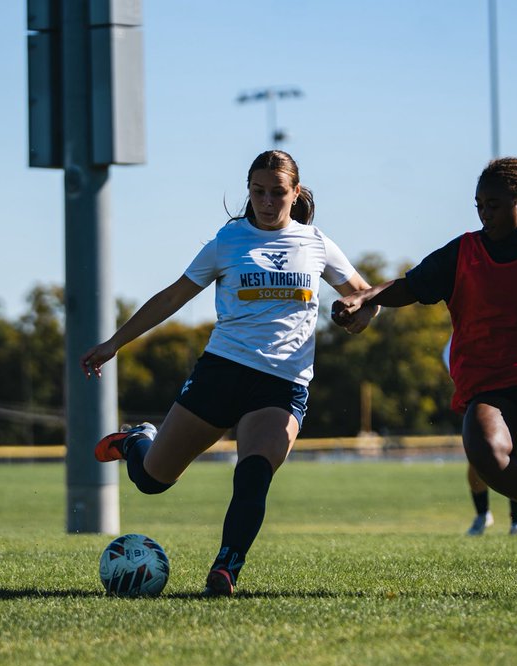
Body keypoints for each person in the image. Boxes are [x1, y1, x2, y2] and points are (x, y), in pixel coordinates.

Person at [81, 150, 378, 597]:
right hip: (222, 371)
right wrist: (113, 344)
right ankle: (136, 441)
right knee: (151, 480)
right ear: (249, 192)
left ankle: (226, 568)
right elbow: (172, 297)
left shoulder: (316, 242)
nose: (266, 201)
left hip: (283, 384)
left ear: (295, 193)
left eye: (277, 192)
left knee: (254, 471)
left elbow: (363, 295)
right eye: (258, 192)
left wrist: (358, 314)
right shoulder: (228, 240)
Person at [332, 157, 517, 601]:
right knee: (486, 454)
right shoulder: (465, 249)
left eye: (493, 204)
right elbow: (413, 284)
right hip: (489, 378)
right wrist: (364, 297)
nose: (483, 213)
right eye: (478, 205)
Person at [446, 338, 517, 537]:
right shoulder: (458, 339)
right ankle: (482, 514)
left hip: (516, 386)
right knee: (477, 456)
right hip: (482, 392)